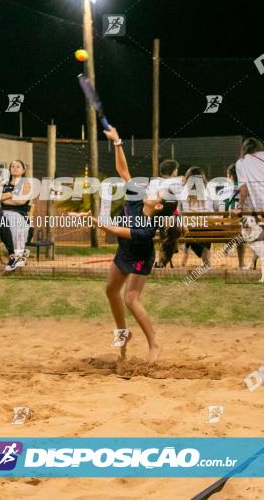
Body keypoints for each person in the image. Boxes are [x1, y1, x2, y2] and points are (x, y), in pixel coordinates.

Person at [72, 124, 177, 365]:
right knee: (110, 290)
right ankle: (124, 333)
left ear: (158, 206)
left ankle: (154, 344)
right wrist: (118, 142)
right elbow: (123, 170)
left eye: (158, 194)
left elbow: (113, 229)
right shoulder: (138, 197)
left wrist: (92, 220)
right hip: (124, 252)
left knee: (130, 298)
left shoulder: (146, 229)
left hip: (140, 256)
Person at [179, 166, 212, 267]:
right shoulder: (208, 190)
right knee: (203, 229)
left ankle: (184, 257)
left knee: (189, 229)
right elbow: (212, 210)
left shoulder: (182, 191)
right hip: (206, 227)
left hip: (188, 227)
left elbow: (179, 211)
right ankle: (207, 263)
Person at [215, 163, 247, 268]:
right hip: (243, 229)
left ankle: (229, 245)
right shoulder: (247, 191)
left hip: (223, 229)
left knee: (231, 222)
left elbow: (216, 210)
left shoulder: (222, 192)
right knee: (242, 226)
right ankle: (241, 264)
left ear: (230, 176)